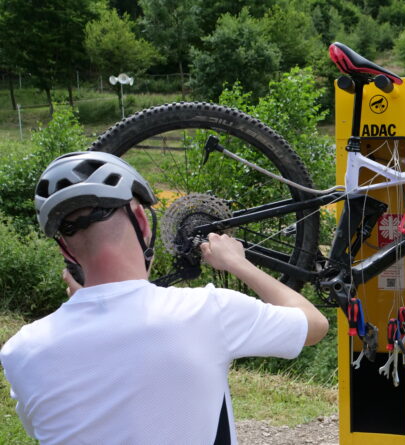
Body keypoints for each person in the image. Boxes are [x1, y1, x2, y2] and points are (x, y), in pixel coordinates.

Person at [0, 151, 329, 444]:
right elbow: (314, 324)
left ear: (64, 248)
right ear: (141, 220)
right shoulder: (206, 312)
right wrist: (238, 264)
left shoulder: (21, 351)